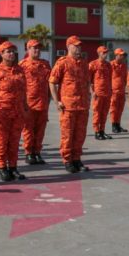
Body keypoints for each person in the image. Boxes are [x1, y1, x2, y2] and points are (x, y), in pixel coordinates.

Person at [0, 41, 29, 181]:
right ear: (2, 54)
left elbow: (23, 91)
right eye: (8, 52)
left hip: (17, 113)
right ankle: (3, 168)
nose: (11, 54)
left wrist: (25, 106)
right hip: (1, 113)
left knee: (15, 142)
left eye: (13, 52)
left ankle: (13, 167)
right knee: (2, 142)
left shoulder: (20, 70)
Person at [48, 36, 91, 172]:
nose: (79, 48)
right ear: (69, 47)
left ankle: (77, 159)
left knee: (80, 134)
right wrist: (56, 101)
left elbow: (86, 82)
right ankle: (67, 160)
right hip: (68, 106)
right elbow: (52, 82)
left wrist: (89, 97)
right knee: (67, 134)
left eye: (80, 46)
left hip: (82, 105)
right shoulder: (62, 63)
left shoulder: (84, 63)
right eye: (76, 46)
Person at [20, 39, 51, 164]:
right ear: (28, 49)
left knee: (40, 130)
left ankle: (37, 152)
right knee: (28, 130)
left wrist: (49, 99)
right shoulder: (22, 65)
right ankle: (29, 153)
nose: (37, 50)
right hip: (28, 103)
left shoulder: (45, 64)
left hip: (43, 102)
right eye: (34, 48)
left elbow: (50, 83)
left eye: (39, 48)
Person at [89, 46, 113, 140]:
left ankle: (102, 131)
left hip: (107, 93)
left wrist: (110, 90)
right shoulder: (93, 64)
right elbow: (88, 80)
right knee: (97, 113)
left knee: (104, 113)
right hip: (98, 93)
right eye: (103, 53)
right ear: (99, 53)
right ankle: (96, 132)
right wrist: (92, 92)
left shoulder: (108, 65)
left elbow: (110, 78)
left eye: (106, 53)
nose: (105, 55)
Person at [109, 48, 128, 133]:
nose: (123, 56)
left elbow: (125, 78)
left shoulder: (124, 65)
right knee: (114, 109)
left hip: (122, 91)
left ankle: (118, 125)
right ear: (116, 55)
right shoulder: (110, 65)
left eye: (123, 55)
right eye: (121, 55)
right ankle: (114, 125)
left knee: (120, 109)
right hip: (113, 91)